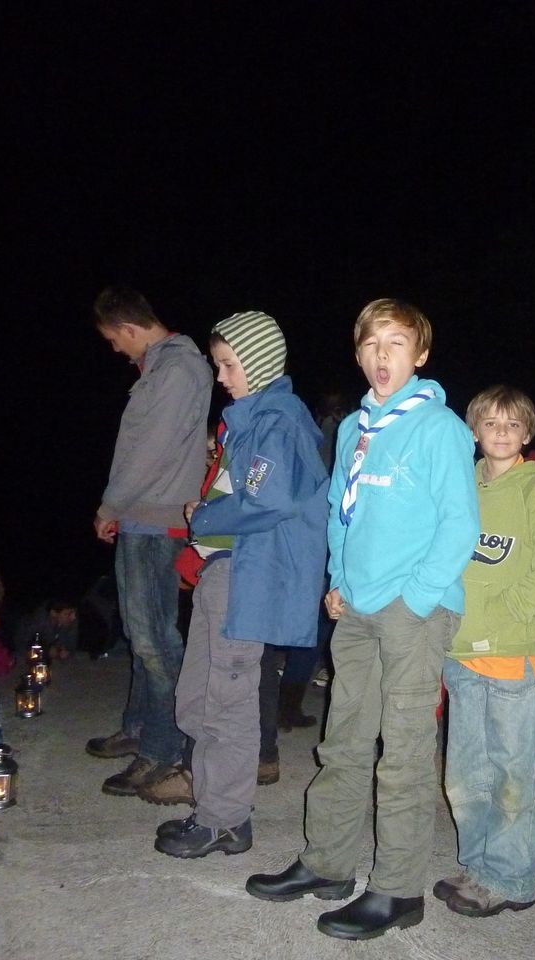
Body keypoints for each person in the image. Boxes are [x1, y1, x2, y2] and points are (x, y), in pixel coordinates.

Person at [245, 298, 478, 941]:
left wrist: (419, 595)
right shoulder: (352, 428)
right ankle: (327, 863)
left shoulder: (439, 427)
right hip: (355, 608)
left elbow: (460, 522)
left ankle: (398, 888)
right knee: (343, 741)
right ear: (357, 353)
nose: (382, 356)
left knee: (402, 752)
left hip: (413, 611)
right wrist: (338, 583)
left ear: (420, 354)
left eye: (396, 343)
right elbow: (340, 514)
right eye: (372, 344)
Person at [152, 310, 328, 857]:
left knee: (228, 700)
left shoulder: (278, 422)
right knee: (197, 696)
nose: (221, 376)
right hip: (222, 572)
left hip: (246, 577)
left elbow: (268, 500)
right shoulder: (249, 421)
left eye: (229, 364)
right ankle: (211, 803)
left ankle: (225, 819)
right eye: (218, 364)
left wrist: (203, 515)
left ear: (258, 361)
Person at [436, 386, 535, 918]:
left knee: (510, 774)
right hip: (458, 652)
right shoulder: (461, 483)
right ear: (473, 430)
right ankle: (478, 865)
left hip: (510, 654)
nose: (500, 432)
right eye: (490, 423)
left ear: (527, 433)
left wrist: (500, 613)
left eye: (512, 424)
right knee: (465, 774)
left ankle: (511, 878)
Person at [84, 285, 212, 800]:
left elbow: (151, 452)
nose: (115, 348)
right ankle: (138, 726)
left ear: (130, 328)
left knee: (155, 639)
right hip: (143, 517)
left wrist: (110, 504)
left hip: (156, 522)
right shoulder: (160, 368)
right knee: (142, 636)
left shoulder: (178, 369)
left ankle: (163, 748)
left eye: (114, 339)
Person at [12, 599, 79, 663]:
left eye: (74, 613)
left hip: (54, 660)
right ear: (54, 613)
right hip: (27, 659)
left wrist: (65, 651)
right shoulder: (37, 621)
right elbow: (21, 645)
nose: (73, 617)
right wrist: (46, 651)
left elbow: (71, 646)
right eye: (68, 614)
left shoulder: (70, 622)